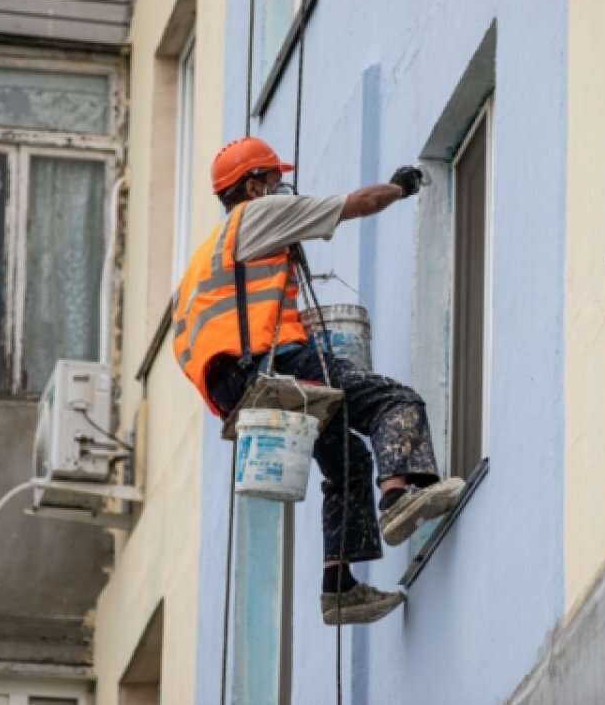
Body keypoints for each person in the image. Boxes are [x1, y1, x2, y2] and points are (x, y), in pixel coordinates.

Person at [172, 136, 464, 625]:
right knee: (393, 401)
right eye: (273, 179)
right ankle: (397, 497)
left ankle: (339, 588)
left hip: (236, 388)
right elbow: (357, 203)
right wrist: (400, 187)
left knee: (346, 462)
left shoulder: (203, 263)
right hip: (273, 363)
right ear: (252, 186)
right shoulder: (255, 217)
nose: (281, 186)